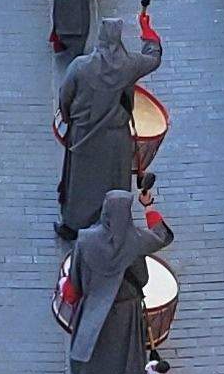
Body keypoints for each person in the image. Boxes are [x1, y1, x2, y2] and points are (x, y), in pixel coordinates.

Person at [58, 189, 172, 374]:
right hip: (127, 313)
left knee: (87, 358)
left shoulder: (86, 239)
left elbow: (75, 279)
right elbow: (162, 235)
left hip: (92, 308)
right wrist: (148, 205)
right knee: (126, 360)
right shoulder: (136, 239)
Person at [51, 28, 155, 238]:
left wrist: (69, 118)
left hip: (84, 134)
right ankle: (113, 226)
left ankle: (74, 224)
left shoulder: (80, 66)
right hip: (117, 138)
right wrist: (149, 36)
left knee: (81, 181)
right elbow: (153, 59)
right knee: (113, 182)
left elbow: (65, 96)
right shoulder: (129, 65)